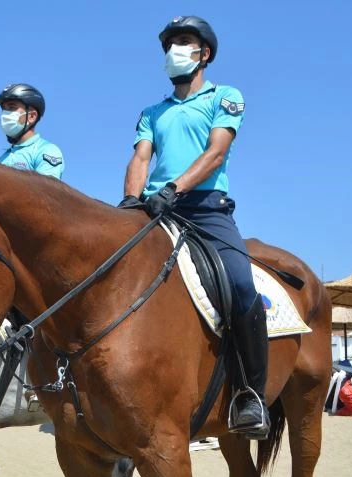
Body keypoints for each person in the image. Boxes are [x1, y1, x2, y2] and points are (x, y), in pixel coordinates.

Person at [119, 15, 270, 439]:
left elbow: (216, 152)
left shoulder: (226, 97)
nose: (174, 51)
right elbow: (140, 158)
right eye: (170, 44)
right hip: (154, 210)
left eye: (184, 42)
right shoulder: (152, 112)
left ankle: (250, 395)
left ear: (204, 53)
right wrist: (132, 200)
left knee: (240, 284)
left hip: (206, 210)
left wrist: (175, 188)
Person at [0, 83, 65, 180]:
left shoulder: (47, 150)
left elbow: (46, 192)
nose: (5, 114)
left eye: (11, 107)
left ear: (32, 116)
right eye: (4, 109)